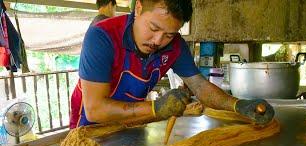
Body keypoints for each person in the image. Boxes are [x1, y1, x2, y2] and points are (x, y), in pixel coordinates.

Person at [70, 0, 275, 129]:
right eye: (153, 28)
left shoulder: (175, 46)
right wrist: (156, 108)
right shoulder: (102, 37)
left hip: (132, 126)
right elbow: (95, 109)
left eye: (169, 34)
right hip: (90, 130)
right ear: (139, 8)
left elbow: (200, 86)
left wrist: (237, 105)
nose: (158, 41)